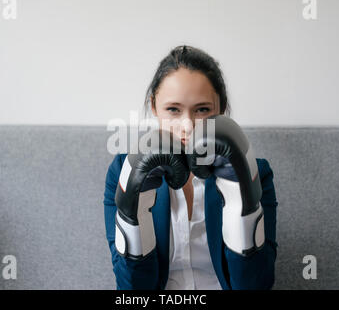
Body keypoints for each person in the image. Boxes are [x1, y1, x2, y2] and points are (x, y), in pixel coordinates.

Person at [103, 45, 278, 290]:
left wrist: (240, 200)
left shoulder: (254, 171)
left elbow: (256, 285)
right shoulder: (123, 169)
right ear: (154, 107)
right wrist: (135, 216)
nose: (187, 125)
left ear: (221, 108)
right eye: (173, 109)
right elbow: (131, 289)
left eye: (202, 110)